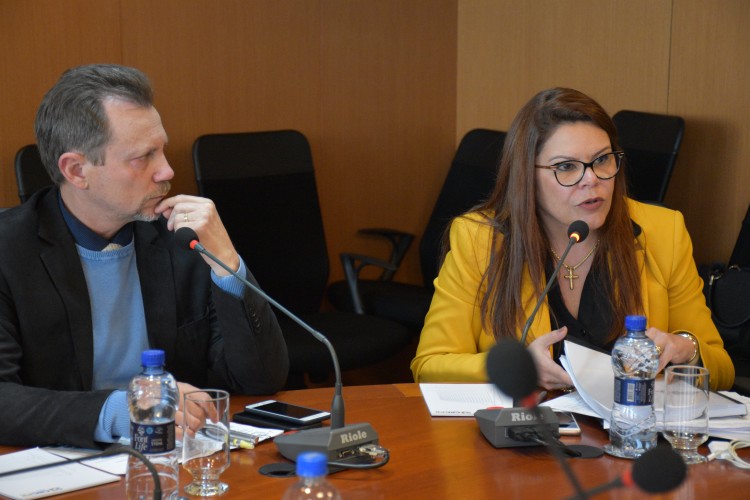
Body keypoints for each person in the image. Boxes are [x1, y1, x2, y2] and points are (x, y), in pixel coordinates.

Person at [0, 64, 289, 448]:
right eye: (143, 157)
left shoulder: (182, 236)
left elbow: (261, 378)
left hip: (179, 459)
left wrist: (228, 264)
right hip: (60, 464)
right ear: (76, 170)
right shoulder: (9, 249)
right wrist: (125, 409)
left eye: (163, 150)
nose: (167, 170)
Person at [411, 87, 734, 391]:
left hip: (628, 434)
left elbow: (722, 368)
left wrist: (685, 350)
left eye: (602, 160)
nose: (591, 179)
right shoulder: (480, 239)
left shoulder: (664, 231)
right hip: (529, 434)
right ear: (526, 176)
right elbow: (430, 365)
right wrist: (519, 368)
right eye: (566, 167)